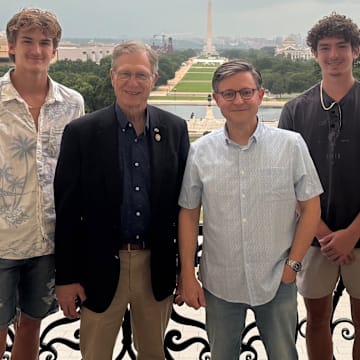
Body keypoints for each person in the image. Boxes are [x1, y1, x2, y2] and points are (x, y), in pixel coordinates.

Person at [177, 59, 323, 360]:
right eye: (228, 94)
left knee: (284, 356)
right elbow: (189, 214)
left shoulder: (291, 145)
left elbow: (311, 208)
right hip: (220, 281)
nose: (238, 100)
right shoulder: (200, 151)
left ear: (261, 94)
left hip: (276, 278)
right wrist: (188, 274)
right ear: (216, 99)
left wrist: (293, 265)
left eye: (246, 92)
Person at [54, 40, 190, 360]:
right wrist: (67, 278)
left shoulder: (174, 129)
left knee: (154, 354)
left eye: (141, 75)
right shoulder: (81, 132)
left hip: (154, 266)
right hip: (99, 265)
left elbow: (186, 206)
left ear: (154, 78)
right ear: (113, 76)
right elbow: (68, 211)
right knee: (95, 354)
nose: (133, 83)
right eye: (125, 74)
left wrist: (187, 271)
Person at [0, 8, 84, 360]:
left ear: (55, 51)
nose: (37, 50)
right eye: (28, 41)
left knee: (32, 324)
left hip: (48, 238)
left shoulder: (72, 104)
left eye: (44, 43)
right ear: (11, 47)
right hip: (2, 237)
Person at [278, 12, 360, 360]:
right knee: (315, 320)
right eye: (325, 48)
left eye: (342, 46)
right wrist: (326, 234)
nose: (333, 55)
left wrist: (352, 233)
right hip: (314, 239)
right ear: (314, 54)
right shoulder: (296, 109)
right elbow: (289, 180)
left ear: (356, 51)